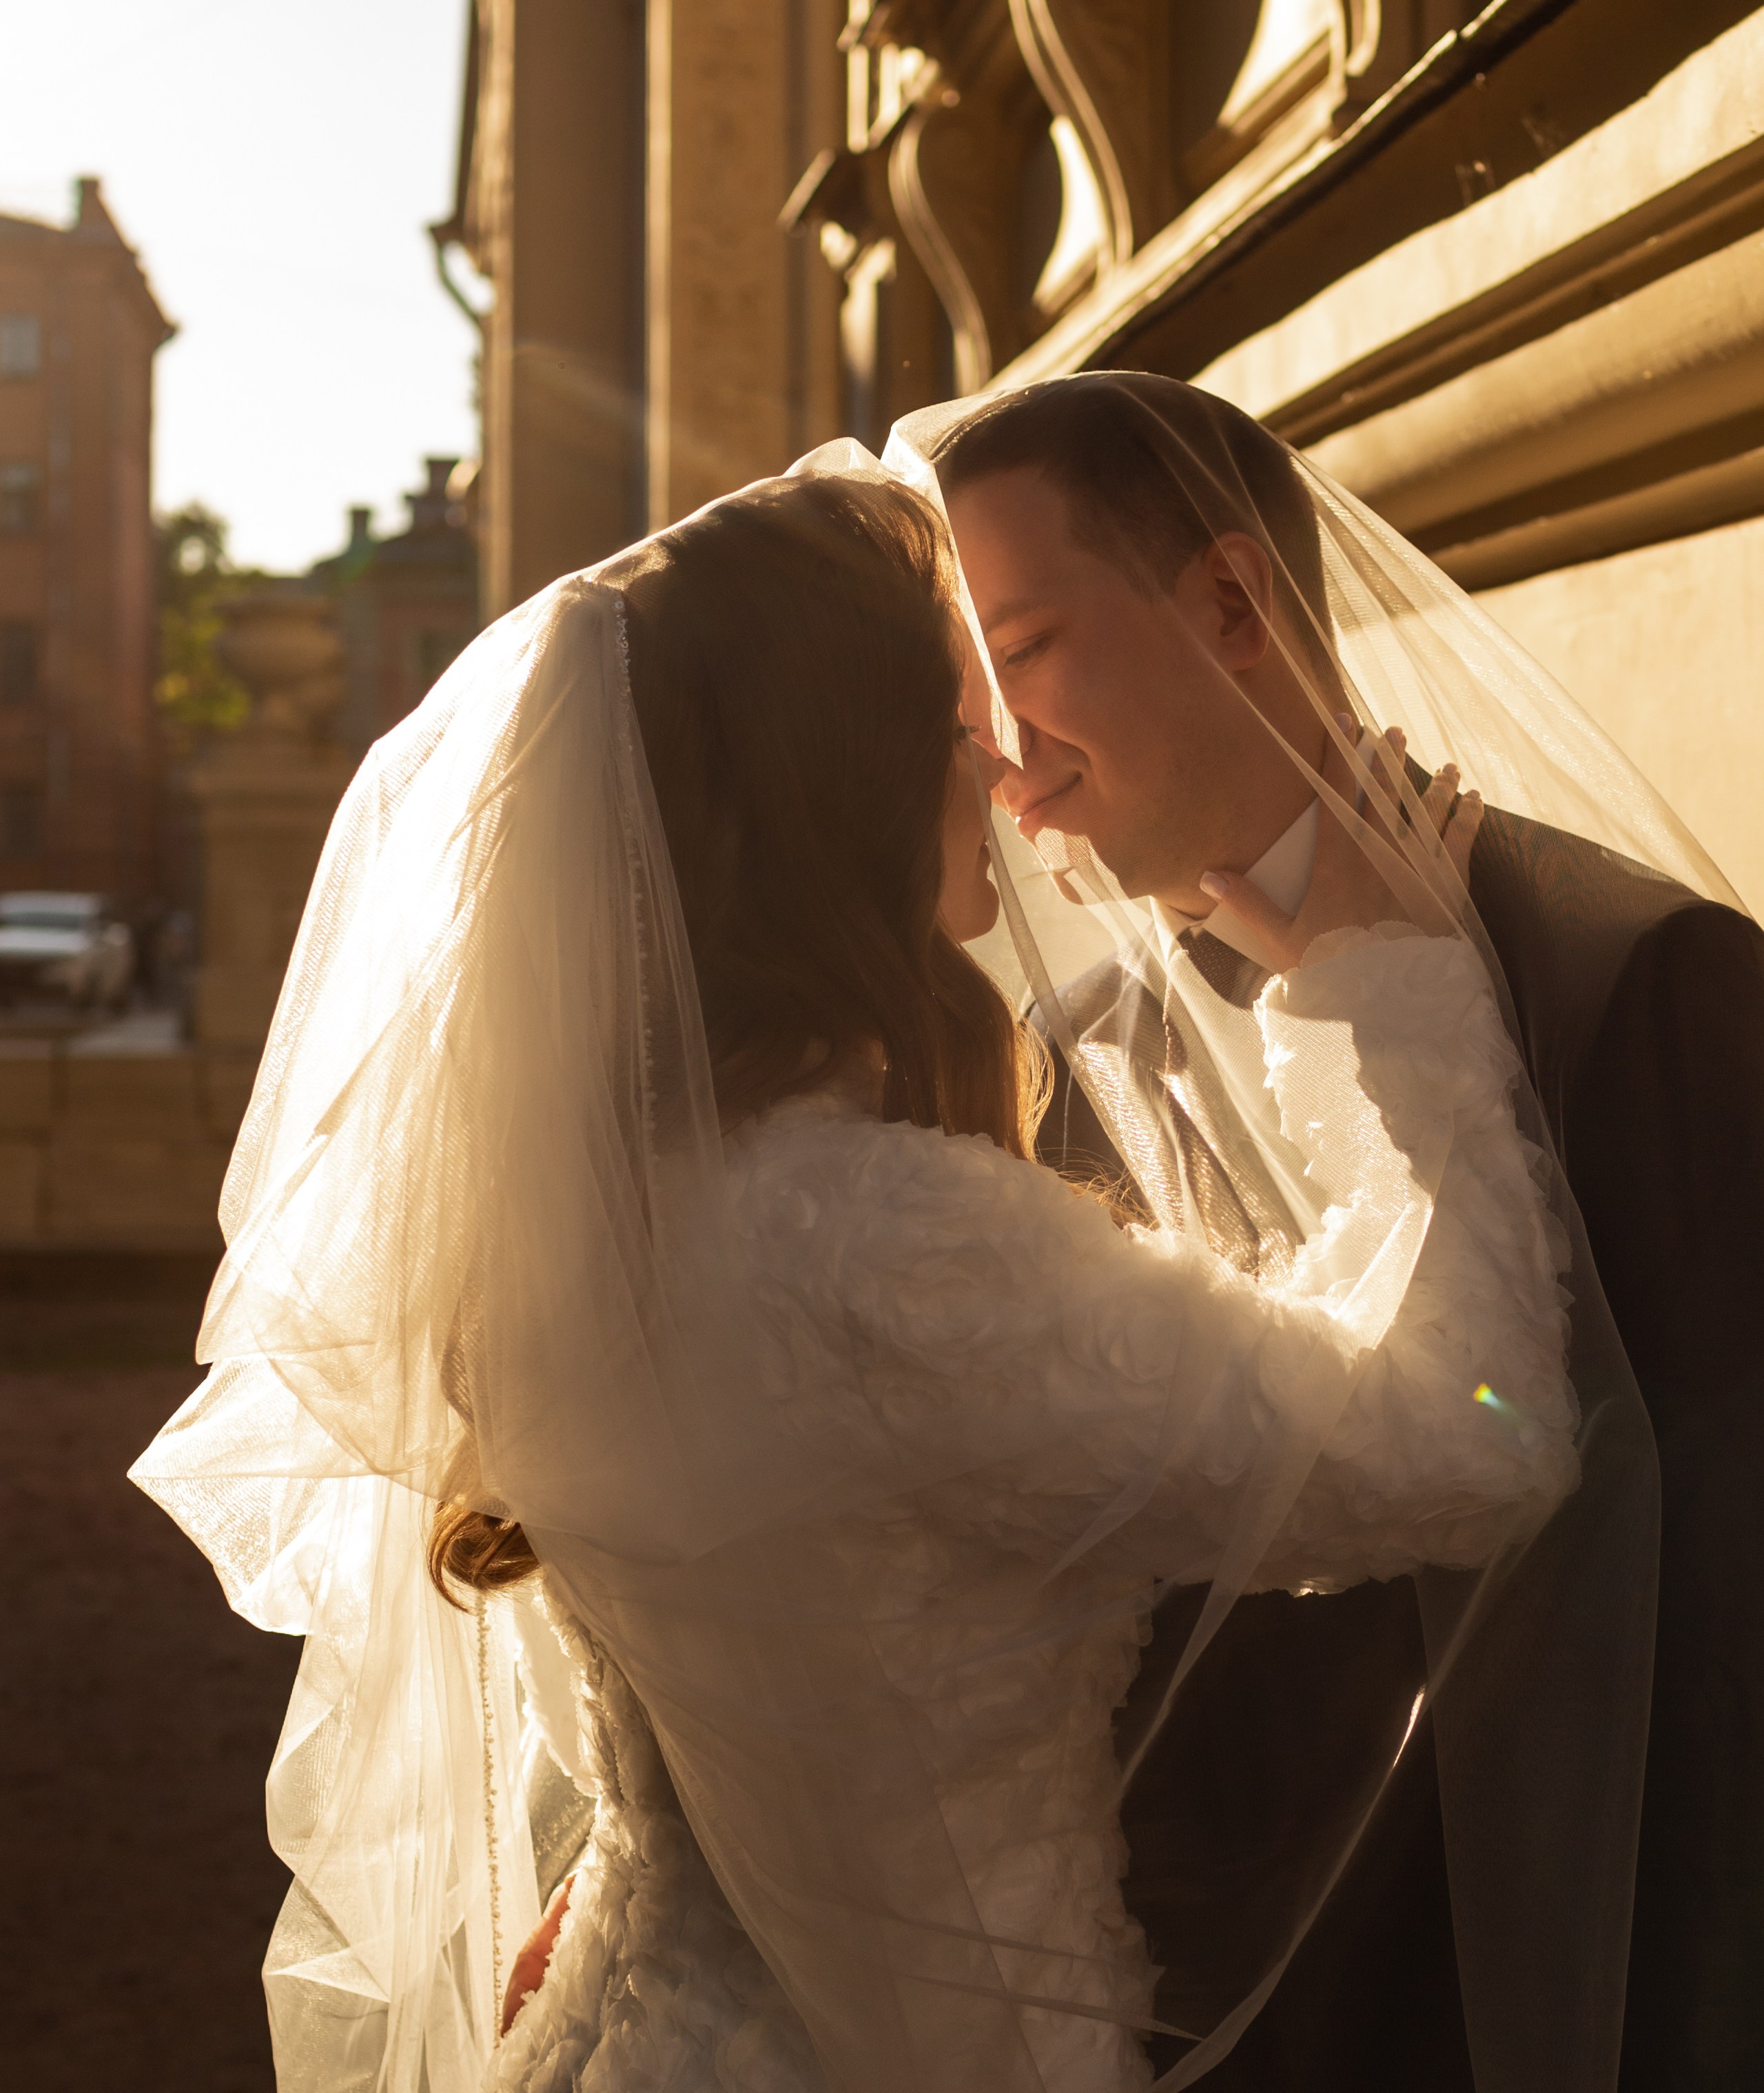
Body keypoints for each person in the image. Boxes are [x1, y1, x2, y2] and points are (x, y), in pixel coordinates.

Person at [134, 467, 1583, 2093]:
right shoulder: (891, 1254)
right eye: (952, 713)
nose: (1000, 765)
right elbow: (1470, 1445)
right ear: (849, 782)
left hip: (621, 2026)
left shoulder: (598, 1219)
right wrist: (1379, 990)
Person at [923, 371, 1764, 2092]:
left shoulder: (1647, 985)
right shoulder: (1076, 1064)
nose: (993, 758)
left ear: (1232, 604)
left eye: (1018, 656)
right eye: (962, 702)